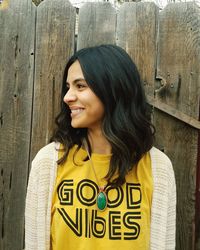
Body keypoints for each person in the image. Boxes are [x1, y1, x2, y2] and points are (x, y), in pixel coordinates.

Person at [25, 44, 176, 250]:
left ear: (112, 89)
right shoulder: (48, 163)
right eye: (68, 87)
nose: (67, 97)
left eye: (80, 86)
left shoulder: (157, 167)